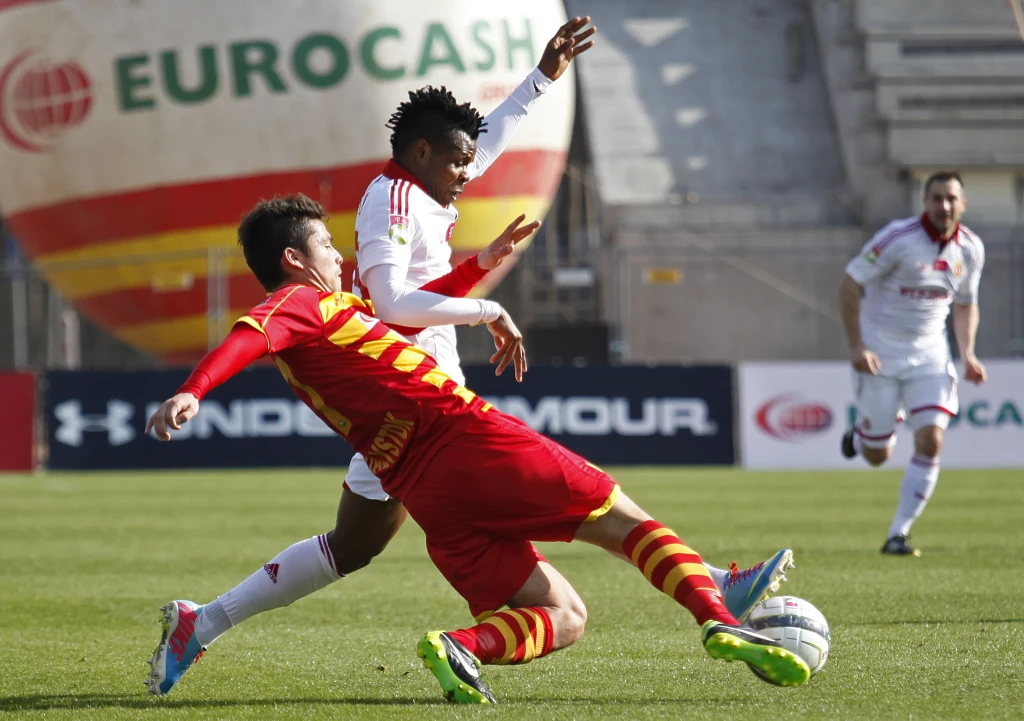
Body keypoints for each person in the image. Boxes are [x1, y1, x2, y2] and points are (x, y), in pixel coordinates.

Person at [145, 17, 794, 697]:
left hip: (399, 435)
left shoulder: (417, 199)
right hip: (431, 406)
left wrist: (540, 84)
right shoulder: (385, 207)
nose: (469, 170)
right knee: (609, 514)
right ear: (421, 153)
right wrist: (196, 388)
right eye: (455, 161)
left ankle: (205, 621)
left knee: (355, 547)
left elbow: (476, 157)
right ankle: (715, 592)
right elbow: (388, 302)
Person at [839, 171, 986, 557]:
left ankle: (898, 534)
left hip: (930, 356)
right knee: (876, 456)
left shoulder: (970, 248)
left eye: (951, 199)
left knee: (932, 438)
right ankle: (860, 436)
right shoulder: (897, 239)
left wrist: (967, 353)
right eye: (937, 198)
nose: (944, 206)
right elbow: (850, 282)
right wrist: (857, 345)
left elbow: (967, 303)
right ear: (925, 202)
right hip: (880, 356)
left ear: (963, 204)